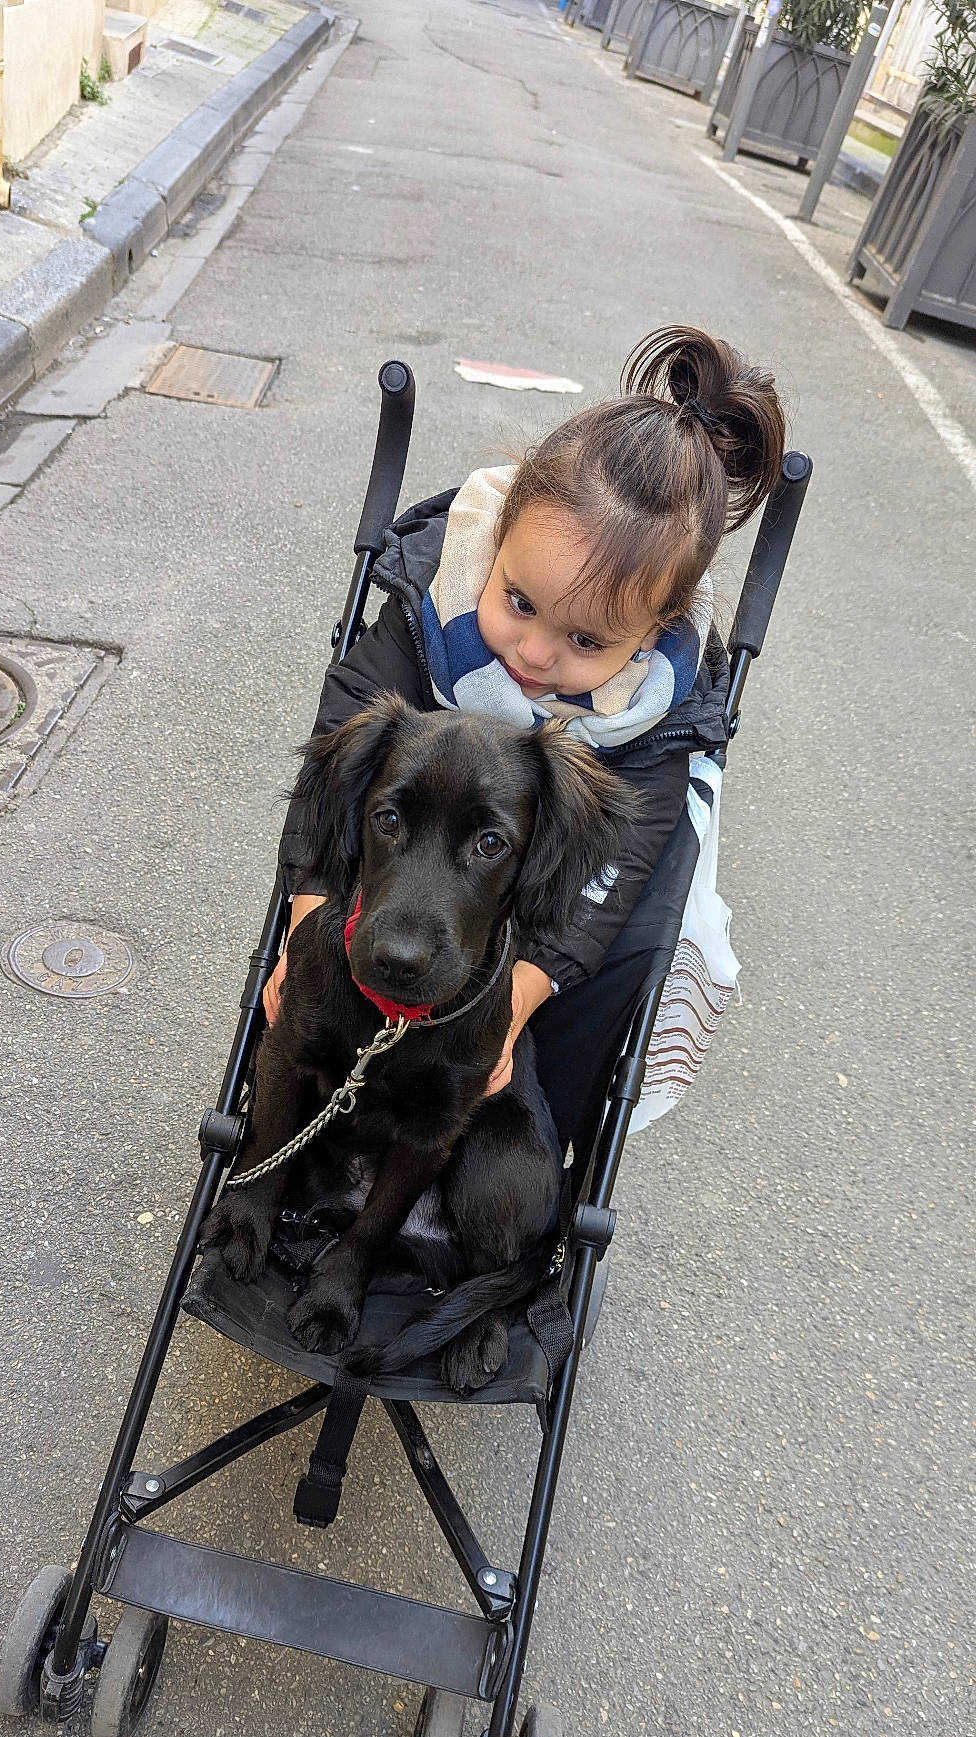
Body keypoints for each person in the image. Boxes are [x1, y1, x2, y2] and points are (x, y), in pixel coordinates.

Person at [268, 325, 787, 1150]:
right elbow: (333, 766)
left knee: (640, 918)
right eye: (518, 603)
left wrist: (511, 1009)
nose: (535, 654)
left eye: (587, 642)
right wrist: (308, 924)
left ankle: (534, 1147)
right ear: (498, 539)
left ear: (650, 637)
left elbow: (615, 873)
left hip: (540, 902)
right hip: (404, 892)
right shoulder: (432, 613)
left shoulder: (656, 709)